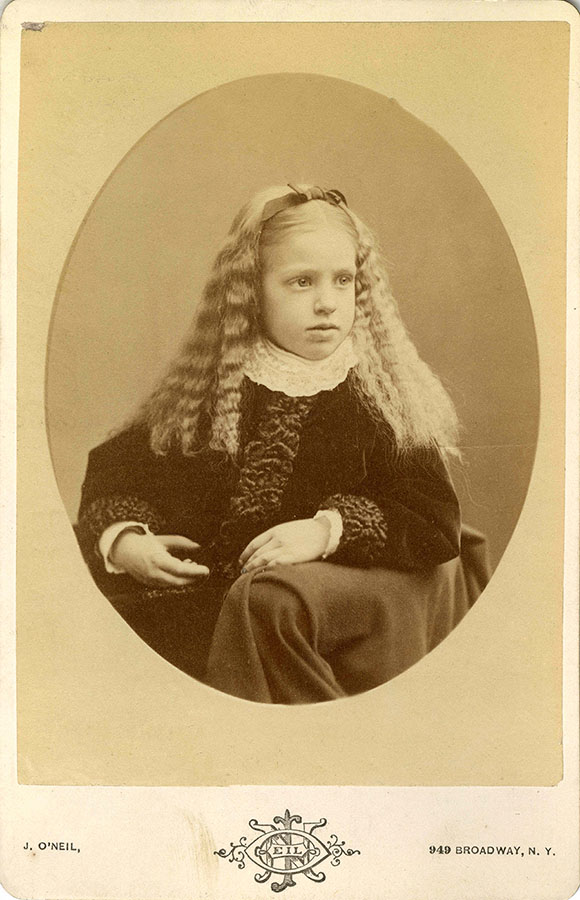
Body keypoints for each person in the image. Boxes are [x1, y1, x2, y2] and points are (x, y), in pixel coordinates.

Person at [76, 183, 486, 704]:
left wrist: (325, 530)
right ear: (251, 291)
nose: (326, 303)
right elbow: (116, 471)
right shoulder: (213, 384)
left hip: (317, 619)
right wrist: (127, 541)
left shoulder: (382, 396)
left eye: (343, 281)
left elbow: (432, 520)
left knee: (267, 609)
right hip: (201, 601)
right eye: (300, 282)